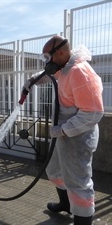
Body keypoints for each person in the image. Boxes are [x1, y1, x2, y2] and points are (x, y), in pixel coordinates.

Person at [23, 35, 104, 225]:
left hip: (78, 138)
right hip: (63, 133)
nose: (46, 62)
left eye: (47, 57)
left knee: (78, 182)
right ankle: (66, 204)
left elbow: (93, 113)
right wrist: (32, 81)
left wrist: (63, 130)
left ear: (60, 52)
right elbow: (51, 74)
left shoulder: (80, 72)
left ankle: (82, 220)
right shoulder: (64, 66)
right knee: (55, 172)